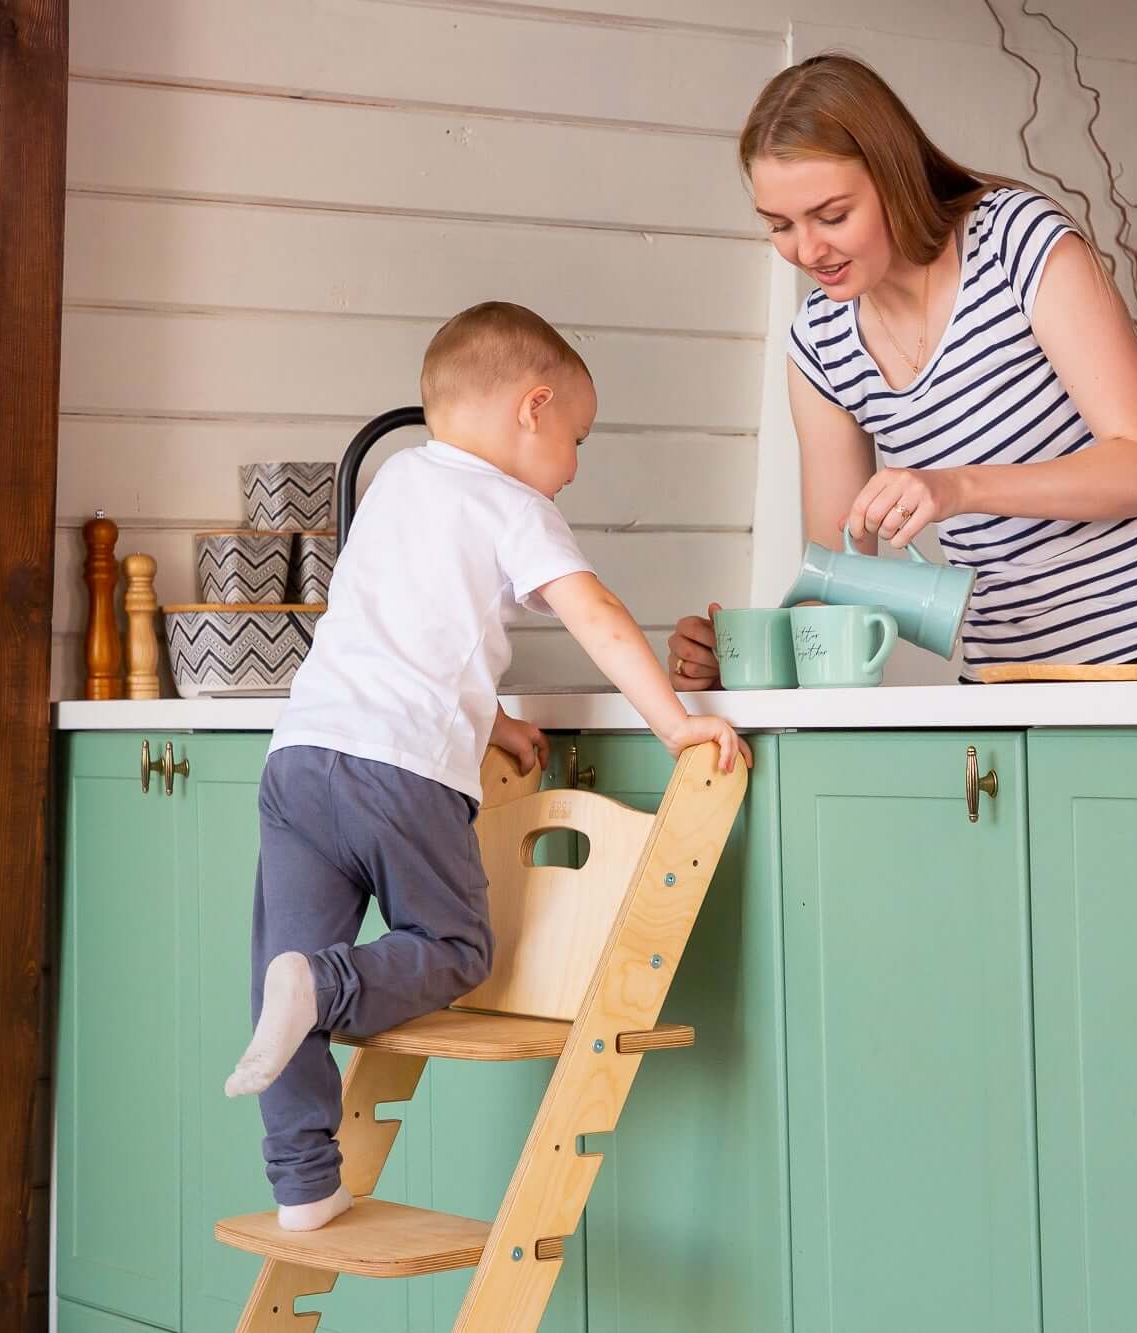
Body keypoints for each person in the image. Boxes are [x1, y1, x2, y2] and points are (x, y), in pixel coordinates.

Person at [223, 301, 748, 1232]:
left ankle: (302, 1182)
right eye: (579, 436)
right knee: (455, 947)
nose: (576, 463)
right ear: (534, 408)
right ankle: (329, 986)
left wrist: (492, 717)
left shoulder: (393, 483)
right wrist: (676, 725)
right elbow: (596, 615)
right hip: (402, 772)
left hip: (300, 757)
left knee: (281, 965)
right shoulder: (515, 505)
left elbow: (404, 625)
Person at [668, 54, 1137, 687]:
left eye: (833, 216)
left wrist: (958, 487)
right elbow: (837, 583)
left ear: (893, 176)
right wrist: (735, 661)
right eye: (781, 226)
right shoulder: (819, 344)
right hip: (1006, 682)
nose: (808, 250)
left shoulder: (1016, 242)